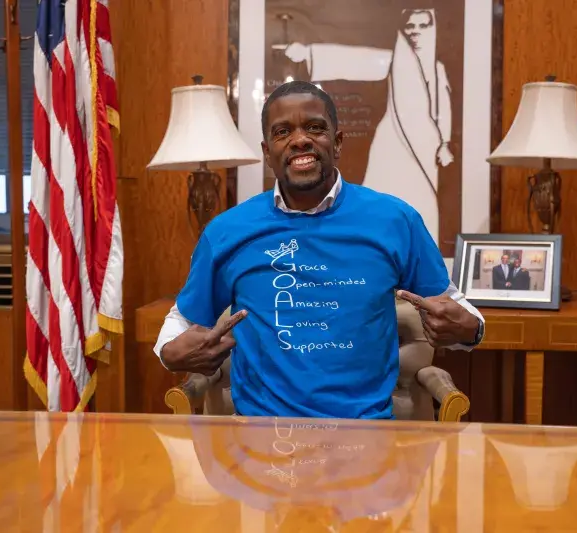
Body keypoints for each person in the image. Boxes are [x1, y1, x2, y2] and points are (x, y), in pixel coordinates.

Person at [154, 81, 484, 419]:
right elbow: (181, 321)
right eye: (283, 132)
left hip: (368, 438)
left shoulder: (395, 220)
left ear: (337, 142)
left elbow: (454, 308)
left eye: (315, 127)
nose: (300, 139)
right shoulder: (227, 231)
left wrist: (470, 331)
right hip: (258, 440)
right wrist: (169, 353)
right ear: (268, 153)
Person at [283, 8, 451, 244]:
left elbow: (444, 108)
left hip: (426, 147)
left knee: (420, 201)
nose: (416, 32)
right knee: (379, 203)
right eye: (410, 27)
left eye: (422, 26)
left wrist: (445, 143)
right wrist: (308, 53)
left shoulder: (438, 69)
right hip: (392, 143)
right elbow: (359, 59)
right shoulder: (395, 60)